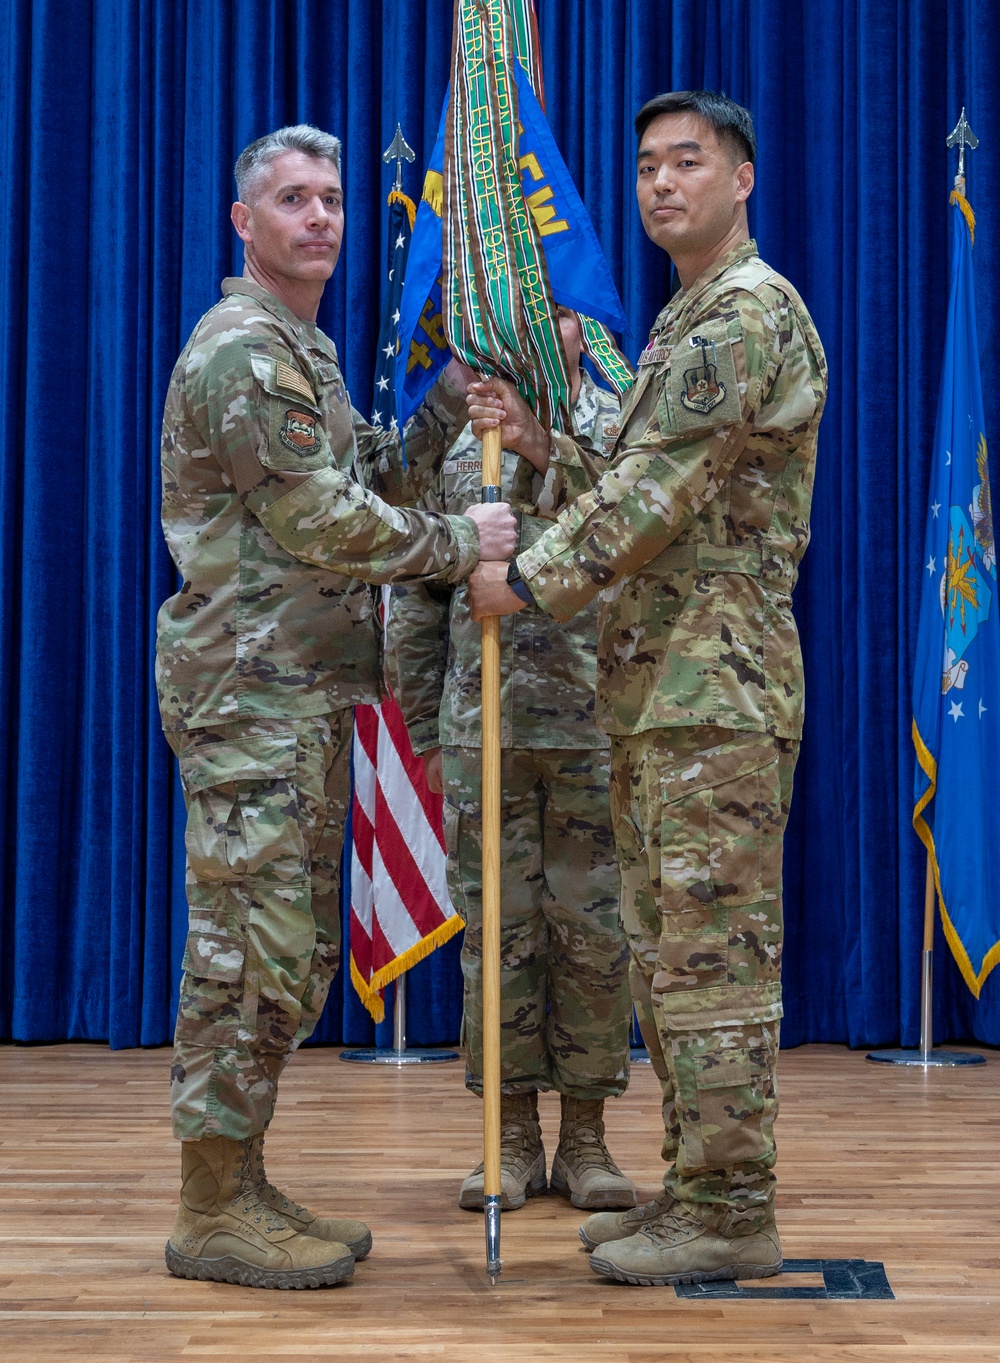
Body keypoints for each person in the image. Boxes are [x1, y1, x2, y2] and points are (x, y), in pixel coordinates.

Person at [465, 90, 827, 1286]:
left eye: (689, 162)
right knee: (668, 959)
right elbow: (641, 475)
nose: (662, 183)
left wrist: (520, 580)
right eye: (647, 168)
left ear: (743, 178)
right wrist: (541, 448)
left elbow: (651, 497)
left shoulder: (740, 314)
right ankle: (698, 1187)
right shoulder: (684, 322)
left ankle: (732, 1206)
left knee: (711, 962)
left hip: (711, 692)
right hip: (664, 688)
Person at [156, 124, 515, 1290]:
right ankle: (209, 1206)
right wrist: (464, 543)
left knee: (287, 950)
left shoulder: (299, 352)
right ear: (243, 222)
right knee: (245, 954)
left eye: (332, 201)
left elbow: (363, 485)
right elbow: (319, 522)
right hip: (252, 697)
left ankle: (241, 1178)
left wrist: (447, 409)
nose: (321, 217)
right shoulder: (245, 353)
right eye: (294, 199)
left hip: (297, 696)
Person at [386, 309, 635, 1215]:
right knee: (500, 938)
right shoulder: (458, 443)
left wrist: (545, 448)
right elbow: (416, 596)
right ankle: (512, 1135)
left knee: (594, 940)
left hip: (594, 728)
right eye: (529, 307)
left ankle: (588, 1138)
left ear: (581, 326)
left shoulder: (614, 430)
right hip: (482, 729)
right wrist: (423, 727)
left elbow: (637, 541)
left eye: (561, 311)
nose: (546, 326)